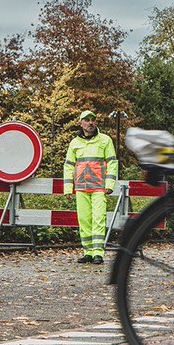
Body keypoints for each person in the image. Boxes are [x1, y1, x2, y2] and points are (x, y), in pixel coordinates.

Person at [62, 110, 118, 265]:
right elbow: (68, 166)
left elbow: (112, 162)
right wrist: (68, 188)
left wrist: (110, 185)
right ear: (80, 123)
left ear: (96, 122)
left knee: (99, 219)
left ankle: (98, 253)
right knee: (84, 220)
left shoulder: (105, 140)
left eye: (93, 120)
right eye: (86, 120)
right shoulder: (74, 143)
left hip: (99, 187)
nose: (90, 123)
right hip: (81, 187)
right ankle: (88, 252)